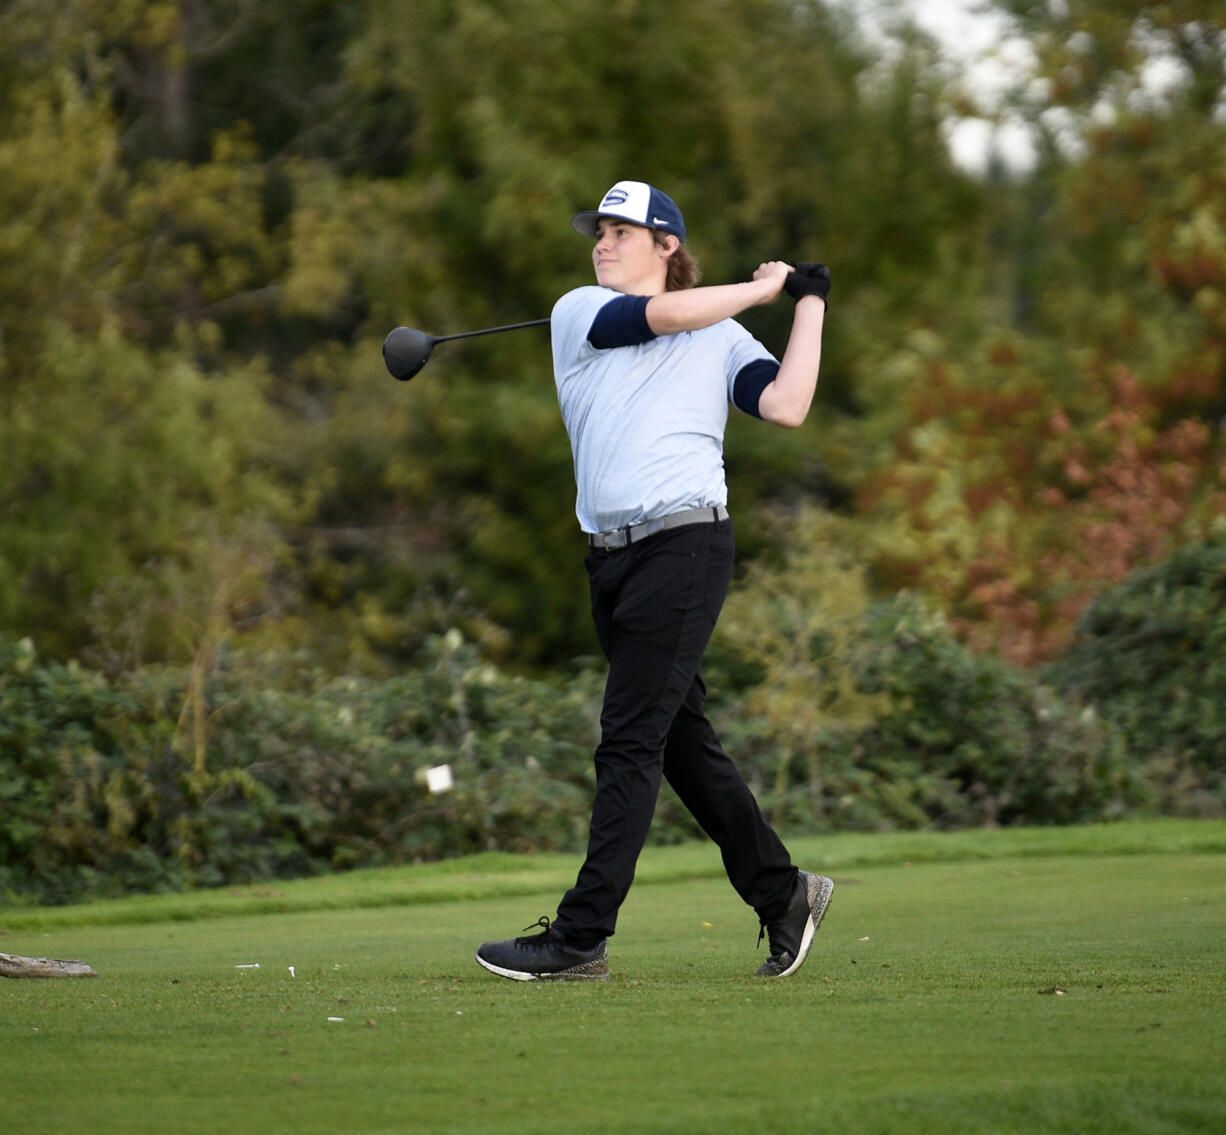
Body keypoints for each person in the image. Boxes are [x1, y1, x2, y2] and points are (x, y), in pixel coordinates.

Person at [476, 180, 833, 981]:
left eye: (620, 231)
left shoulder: (724, 334)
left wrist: (806, 304)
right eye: (597, 231)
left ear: (667, 245)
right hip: (609, 557)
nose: (601, 243)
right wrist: (760, 287)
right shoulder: (580, 311)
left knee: (630, 739)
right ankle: (784, 893)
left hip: (686, 545)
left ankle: (579, 937)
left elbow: (785, 405)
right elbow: (662, 316)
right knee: (679, 745)